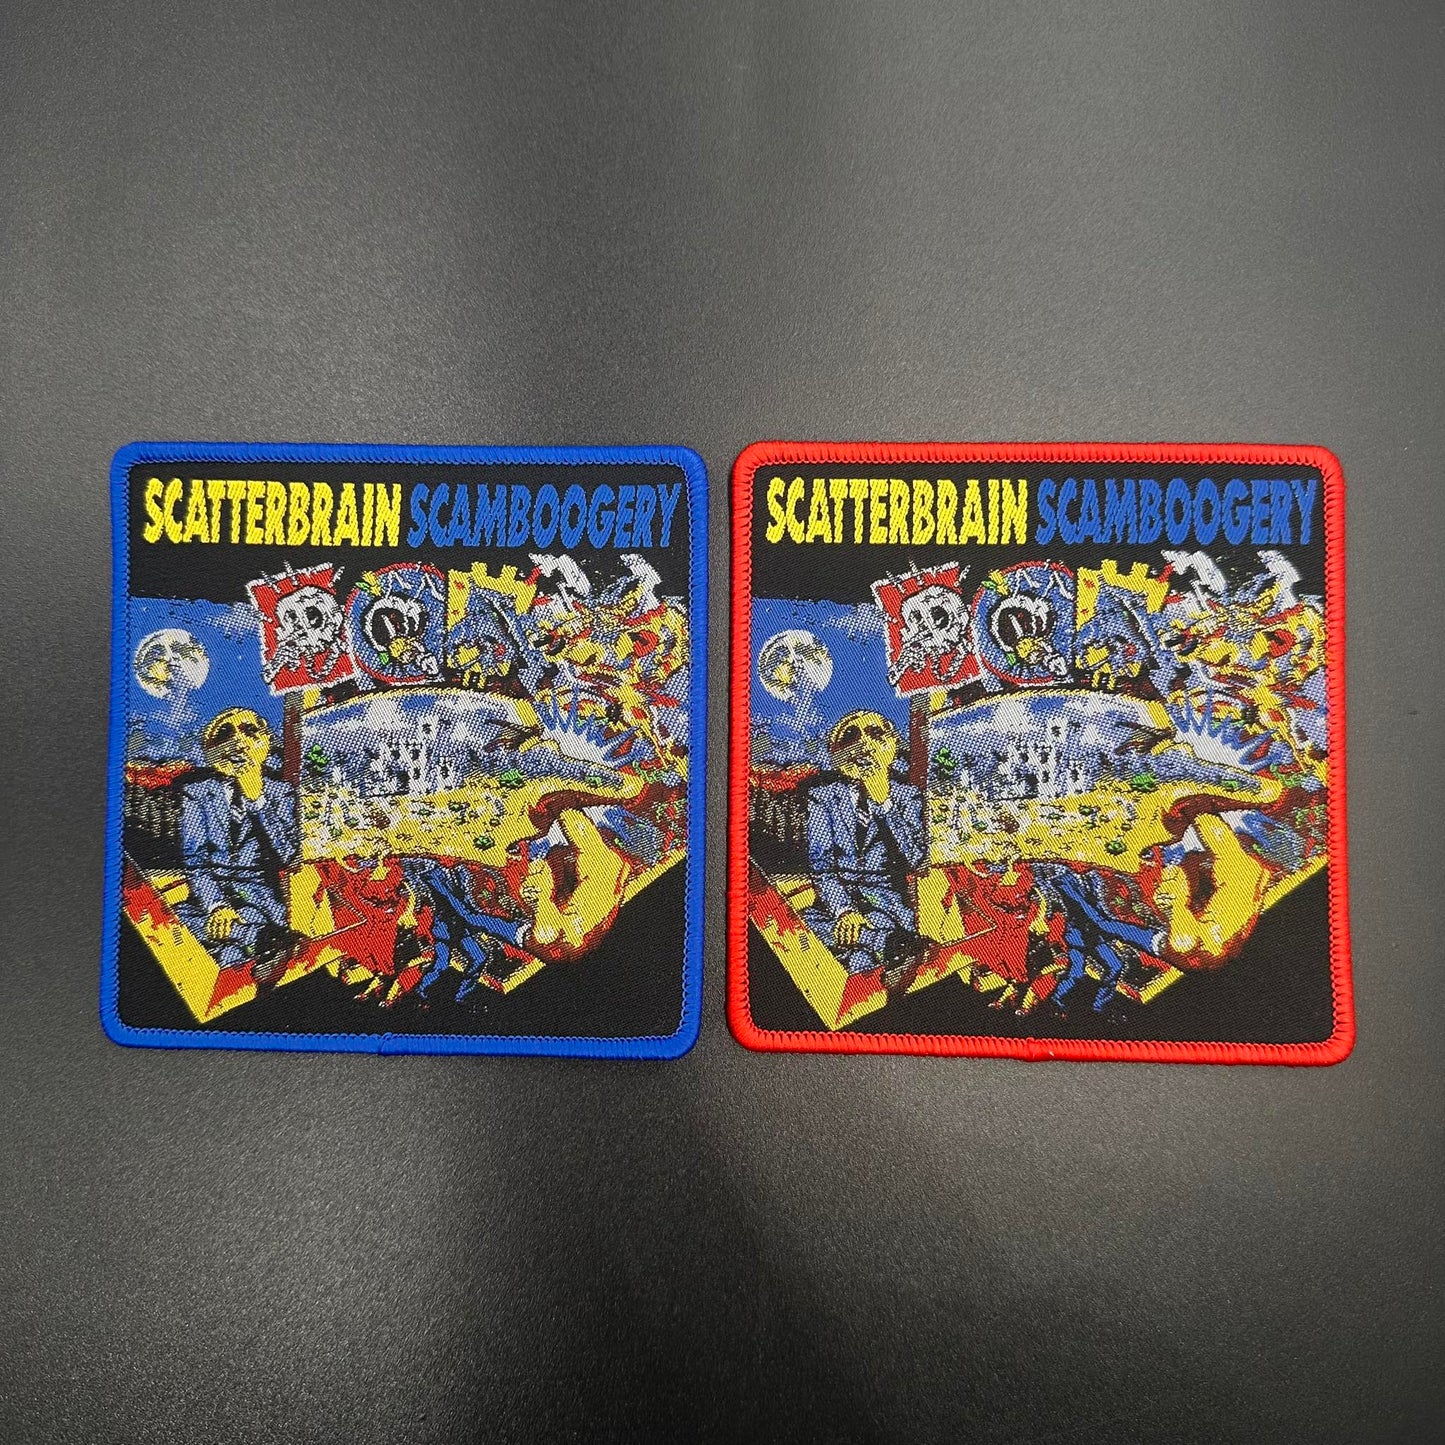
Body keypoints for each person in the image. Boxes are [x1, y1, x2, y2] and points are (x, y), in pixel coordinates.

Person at [803, 710, 926, 985]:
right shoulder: (822, 798)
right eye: (850, 737)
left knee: (860, 959)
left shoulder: (908, 797)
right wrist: (845, 910)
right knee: (802, 930)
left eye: (874, 734)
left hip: (886, 903)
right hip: (836, 905)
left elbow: (916, 859)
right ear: (835, 753)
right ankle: (881, 942)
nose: (863, 744)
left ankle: (877, 947)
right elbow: (822, 866)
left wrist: (883, 802)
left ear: (892, 744)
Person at [176, 707, 298, 979]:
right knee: (174, 924)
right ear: (210, 751)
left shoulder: (281, 793)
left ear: (266, 741)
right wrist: (217, 906)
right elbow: (195, 861)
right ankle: (257, 938)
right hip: (208, 899)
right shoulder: (196, 793)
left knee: (231, 952)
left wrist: (257, 799)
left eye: (249, 732)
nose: (238, 742)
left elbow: (288, 855)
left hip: (259, 898)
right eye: (224, 735)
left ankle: (252, 944)